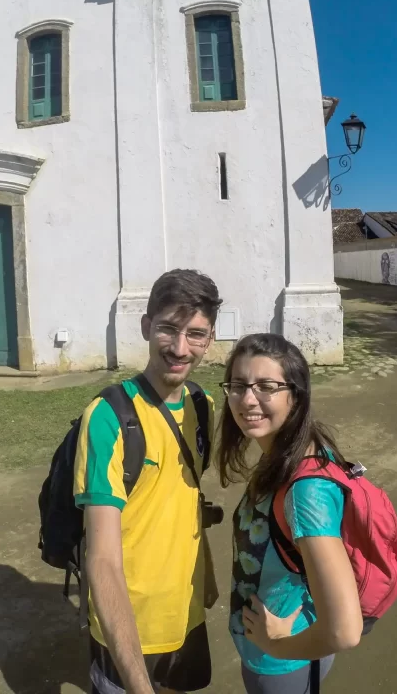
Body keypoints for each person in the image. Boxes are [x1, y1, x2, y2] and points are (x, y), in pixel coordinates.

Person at [74, 269, 222, 694]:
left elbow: (186, 498)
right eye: (168, 329)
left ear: (209, 338)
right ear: (145, 327)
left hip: (187, 613)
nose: (180, 348)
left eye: (195, 334)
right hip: (129, 626)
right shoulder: (108, 417)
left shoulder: (203, 405)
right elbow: (101, 558)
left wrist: (206, 579)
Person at [217, 333, 363, 694]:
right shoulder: (287, 454)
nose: (248, 399)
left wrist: (276, 645)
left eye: (266, 386)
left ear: (295, 397)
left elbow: (345, 631)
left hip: (284, 664)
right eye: (238, 385)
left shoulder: (306, 491)